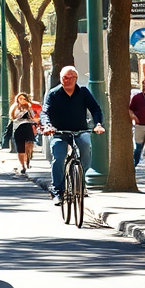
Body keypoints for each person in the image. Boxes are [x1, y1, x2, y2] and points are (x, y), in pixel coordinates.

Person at [39, 65, 106, 205]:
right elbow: (45, 112)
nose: (67, 80)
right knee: (58, 156)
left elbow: (95, 109)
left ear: (76, 79)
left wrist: (98, 124)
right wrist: (47, 126)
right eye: (64, 77)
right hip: (59, 132)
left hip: (80, 130)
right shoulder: (53, 93)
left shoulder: (83, 92)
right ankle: (57, 190)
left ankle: (80, 180)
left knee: (86, 146)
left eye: (70, 77)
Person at [9, 92, 38, 174]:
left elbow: (32, 116)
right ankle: (22, 166)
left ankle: (28, 159)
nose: (22, 100)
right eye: (20, 98)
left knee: (28, 146)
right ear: (17, 99)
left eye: (24, 99)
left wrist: (29, 107)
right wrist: (22, 111)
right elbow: (14, 116)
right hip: (18, 128)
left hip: (27, 127)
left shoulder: (29, 107)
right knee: (20, 149)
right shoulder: (15, 107)